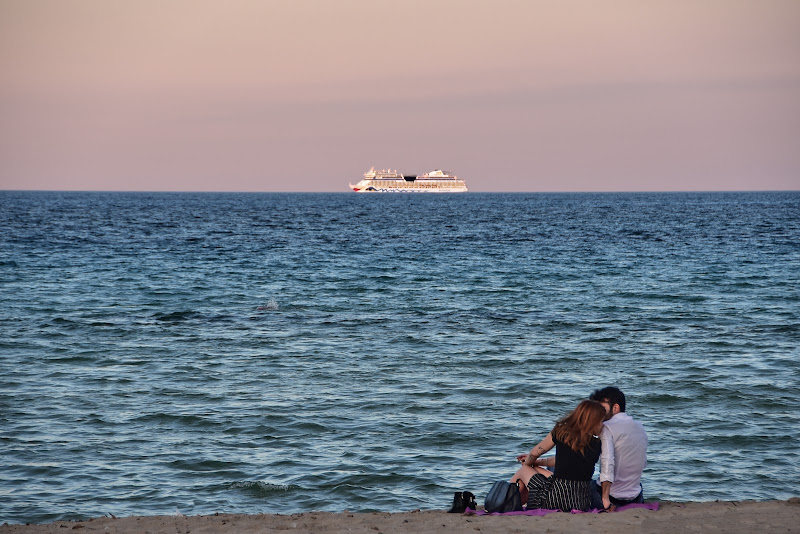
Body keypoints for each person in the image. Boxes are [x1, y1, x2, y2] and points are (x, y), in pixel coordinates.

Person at [510, 400, 607, 512]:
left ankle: (505, 500)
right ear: (592, 422)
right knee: (535, 471)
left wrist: (528, 464)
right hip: (580, 502)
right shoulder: (597, 444)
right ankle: (513, 502)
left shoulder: (561, 431)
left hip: (556, 498)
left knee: (524, 470)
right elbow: (567, 461)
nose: (602, 425)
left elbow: (535, 453)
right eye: (601, 422)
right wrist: (537, 463)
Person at [589, 386, 648, 510]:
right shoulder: (640, 427)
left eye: (601, 408)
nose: (598, 412)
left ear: (615, 408)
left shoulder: (606, 428)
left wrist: (605, 499)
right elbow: (643, 463)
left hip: (611, 497)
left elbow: (608, 463)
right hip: (636, 495)